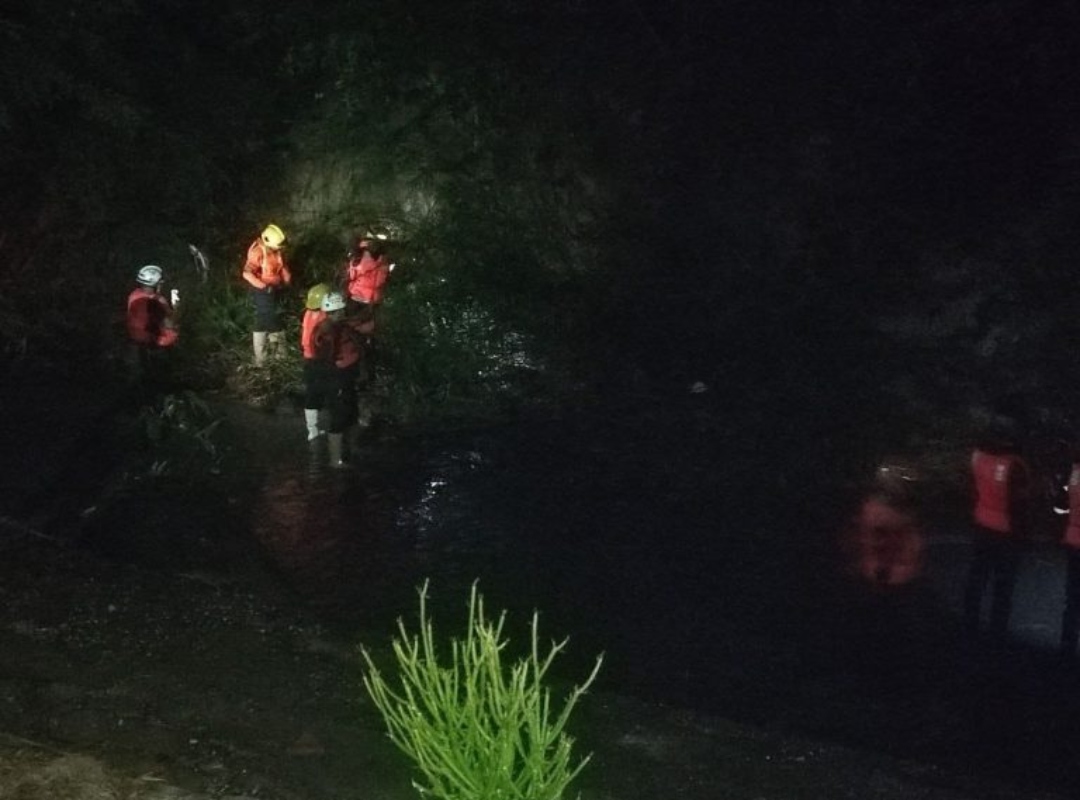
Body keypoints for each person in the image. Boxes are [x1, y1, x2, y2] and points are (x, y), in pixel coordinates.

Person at [963, 427, 1033, 639]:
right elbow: (1020, 504)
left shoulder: (979, 458)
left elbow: (972, 487)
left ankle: (969, 623)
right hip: (1006, 531)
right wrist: (1023, 535)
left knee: (977, 577)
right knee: (1003, 585)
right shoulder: (1015, 466)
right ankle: (997, 631)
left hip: (981, 523)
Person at [312, 291, 366, 468]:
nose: (343, 312)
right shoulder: (328, 331)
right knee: (339, 418)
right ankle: (335, 460)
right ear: (336, 311)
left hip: (346, 377)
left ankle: (349, 451)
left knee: (351, 414)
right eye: (341, 310)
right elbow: (326, 358)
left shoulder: (337, 327)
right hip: (337, 378)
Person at [241, 223, 292, 366]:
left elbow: (281, 266)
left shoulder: (275, 250)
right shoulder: (258, 252)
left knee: (265, 320)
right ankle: (278, 356)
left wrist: (287, 281)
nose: (281, 247)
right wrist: (264, 287)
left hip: (275, 288)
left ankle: (264, 358)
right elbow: (247, 273)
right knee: (271, 319)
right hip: (263, 291)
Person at [125, 264, 179, 401]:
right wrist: (176, 310)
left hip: (135, 341)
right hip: (156, 344)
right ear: (156, 284)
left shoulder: (133, 296)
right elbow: (169, 323)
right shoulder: (157, 301)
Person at [1056, 449, 1080, 657]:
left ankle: (1066, 644)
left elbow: (1061, 505)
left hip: (1072, 538)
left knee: (1072, 596)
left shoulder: (1074, 473)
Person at [300, 282, 331, 441]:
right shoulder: (324, 318)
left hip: (308, 358)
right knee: (322, 392)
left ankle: (312, 430)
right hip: (319, 359)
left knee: (312, 393)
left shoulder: (308, 314)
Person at [345, 236, 391, 314]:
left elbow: (352, 276)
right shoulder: (383, 262)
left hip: (358, 296)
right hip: (372, 299)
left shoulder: (356, 259)